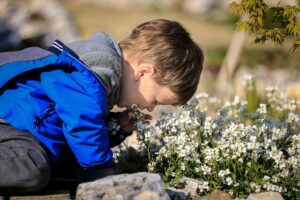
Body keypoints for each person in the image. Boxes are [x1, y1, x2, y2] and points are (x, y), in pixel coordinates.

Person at [0, 19, 204, 192]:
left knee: (63, 170)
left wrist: (115, 127)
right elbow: (81, 121)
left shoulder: (100, 79)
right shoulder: (96, 69)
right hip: (8, 123)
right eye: (156, 100)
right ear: (143, 72)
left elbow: (79, 121)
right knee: (32, 167)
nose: (151, 108)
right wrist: (103, 172)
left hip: (23, 132)